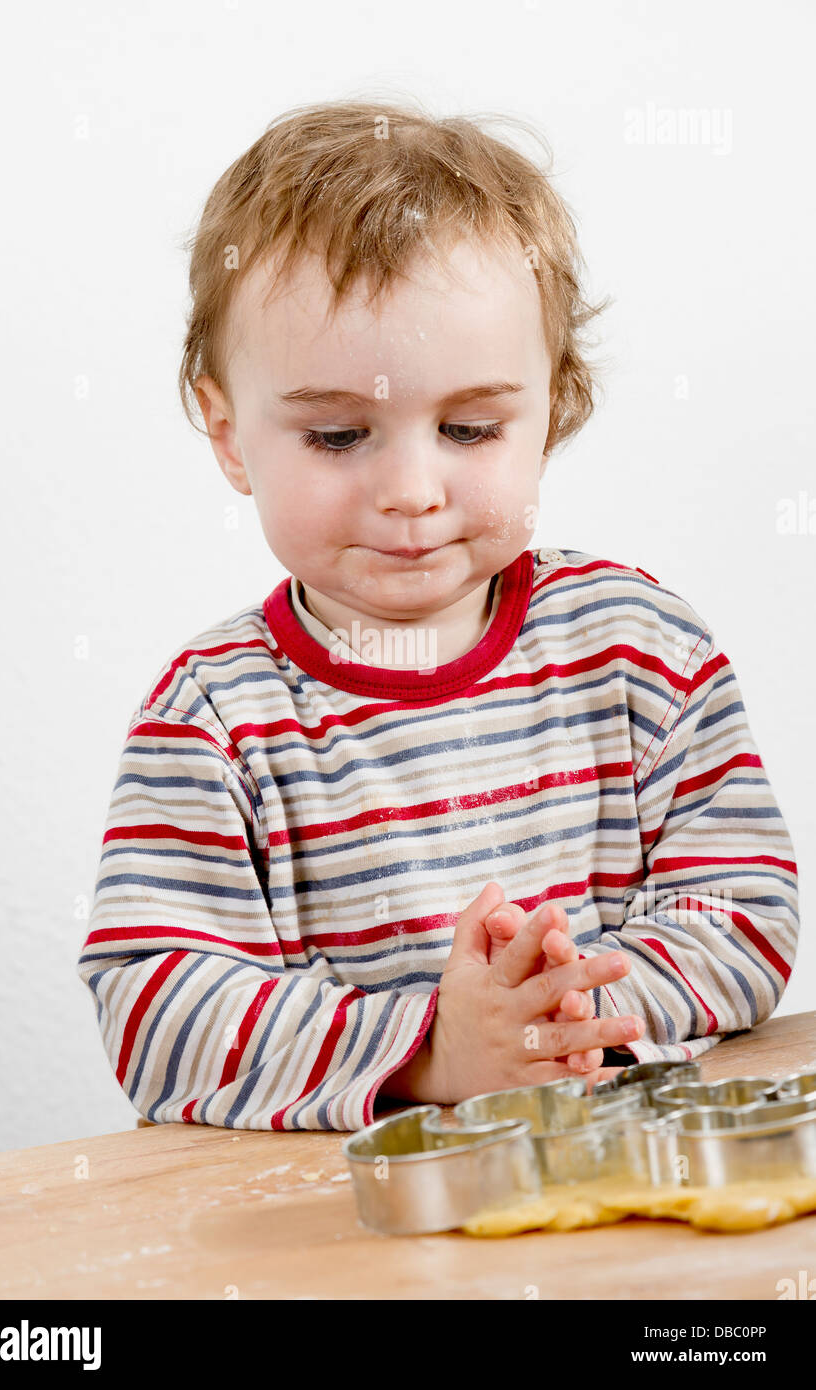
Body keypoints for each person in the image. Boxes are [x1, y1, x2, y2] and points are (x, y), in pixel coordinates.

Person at [77, 99, 798, 1130]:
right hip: (348, 1247)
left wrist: (557, 1018)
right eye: (335, 434)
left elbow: (742, 905)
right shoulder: (212, 719)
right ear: (229, 434)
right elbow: (157, 1011)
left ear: (554, 408)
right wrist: (436, 1050)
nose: (410, 488)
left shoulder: (637, 647)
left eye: (468, 427)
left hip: (614, 1200)